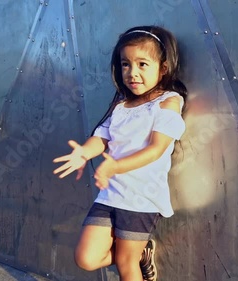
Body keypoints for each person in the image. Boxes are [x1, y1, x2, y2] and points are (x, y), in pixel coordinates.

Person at [53, 25, 187, 281]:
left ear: (164, 67)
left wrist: (115, 167)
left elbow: (156, 149)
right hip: (111, 195)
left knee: (127, 264)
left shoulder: (168, 102)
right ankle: (142, 250)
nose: (132, 73)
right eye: (126, 64)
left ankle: (137, 253)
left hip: (140, 198)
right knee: (86, 258)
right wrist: (83, 152)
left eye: (142, 64)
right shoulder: (121, 106)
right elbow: (101, 139)